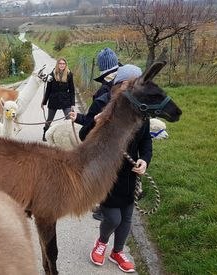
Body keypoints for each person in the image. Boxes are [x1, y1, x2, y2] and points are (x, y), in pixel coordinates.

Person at [83, 64, 152, 273]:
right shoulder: (101, 105)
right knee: (113, 217)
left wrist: (145, 161)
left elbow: (146, 141)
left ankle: (117, 251)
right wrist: (95, 125)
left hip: (129, 174)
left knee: (127, 217)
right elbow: (83, 136)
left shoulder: (141, 112)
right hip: (105, 174)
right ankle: (102, 242)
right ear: (120, 85)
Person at [70, 47, 121, 220]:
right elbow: (92, 119)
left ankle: (105, 209)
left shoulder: (103, 96)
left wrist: (84, 131)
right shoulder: (128, 87)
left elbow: (89, 128)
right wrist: (78, 117)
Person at [71, 47, 120, 126]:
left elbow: (92, 120)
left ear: (101, 66)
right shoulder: (125, 81)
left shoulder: (105, 88)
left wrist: (78, 118)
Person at [41, 57, 75, 141]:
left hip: (65, 99)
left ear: (65, 65)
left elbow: (72, 90)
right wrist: (44, 102)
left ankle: (68, 136)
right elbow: (48, 90)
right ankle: (45, 133)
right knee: (49, 119)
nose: (62, 65)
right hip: (54, 99)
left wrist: (73, 104)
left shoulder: (69, 74)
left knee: (69, 119)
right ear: (57, 64)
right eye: (60, 63)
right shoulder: (51, 75)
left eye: (63, 64)